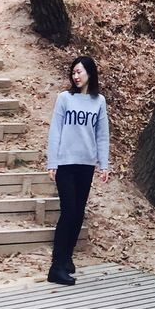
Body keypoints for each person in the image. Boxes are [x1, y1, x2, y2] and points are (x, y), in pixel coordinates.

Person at [46, 54, 109, 285]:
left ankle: (67, 259)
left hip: (86, 165)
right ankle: (56, 267)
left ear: (90, 73)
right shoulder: (64, 99)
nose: (76, 75)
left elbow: (102, 135)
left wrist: (104, 164)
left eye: (79, 71)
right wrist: (52, 162)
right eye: (73, 72)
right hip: (65, 164)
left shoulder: (98, 101)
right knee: (69, 212)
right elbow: (55, 131)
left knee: (79, 213)